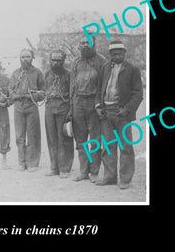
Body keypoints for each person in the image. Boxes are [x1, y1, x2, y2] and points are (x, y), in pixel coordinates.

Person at [95, 40, 143, 189]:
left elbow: (138, 94)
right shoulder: (104, 68)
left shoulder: (132, 69)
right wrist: (98, 106)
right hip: (106, 113)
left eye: (120, 53)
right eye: (114, 54)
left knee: (126, 147)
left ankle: (125, 179)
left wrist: (127, 110)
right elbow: (98, 90)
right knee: (108, 146)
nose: (117, 56)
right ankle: (109, 177)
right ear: (110, 55)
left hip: (122, 113)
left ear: (124, 53)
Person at [67, 36, 107, 182]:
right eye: (82, 43)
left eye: (88, 43)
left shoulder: (102, 61)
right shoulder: (76, 62)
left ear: (94, 44)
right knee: (80, 139)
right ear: (79, 46)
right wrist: (71, 107)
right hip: (78, 102)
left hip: (94, 102)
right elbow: (72, 85)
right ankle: (83, 171)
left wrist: (100, 104)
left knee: (95, 139)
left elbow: (103, 85)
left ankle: (94, 172)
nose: (85, 46)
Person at [9, 49, 45, 172]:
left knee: (32, 135)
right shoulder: (15, 74)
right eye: (23, 57)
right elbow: (10, 91)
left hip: (31, 106)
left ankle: (32, 163)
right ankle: (22, 162)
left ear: (32, 58)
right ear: (20, 58)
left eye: (28, 56)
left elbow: (43, 92)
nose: (25, 59)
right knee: (19, 136)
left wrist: (32, 96)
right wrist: (16, 96)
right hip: (18, 107)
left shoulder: (38, 73)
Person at [44, 50, 74, 178]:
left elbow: (73, 94)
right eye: (53, 60)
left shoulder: (69, 74)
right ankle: (54, 167)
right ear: (50, 61)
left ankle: (65, 168)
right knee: (52, 139)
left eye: (58, 60)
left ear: (63, 60)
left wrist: (70, 111)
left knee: (64, 139)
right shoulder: (47, 74)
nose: (56, 63)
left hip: (64, 108)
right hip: (50, 108)